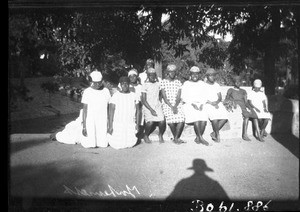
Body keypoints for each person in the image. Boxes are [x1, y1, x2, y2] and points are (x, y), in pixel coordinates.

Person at [52, 70, 111, 148]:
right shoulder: (87, 92)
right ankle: (57, 136)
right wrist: (84, 126)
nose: (98, 84)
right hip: (91, 121)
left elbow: (109, 107)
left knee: (103, 144)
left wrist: (110, 123)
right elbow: (85, 109)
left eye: (99, 82)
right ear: (92, 81)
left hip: (102, 121)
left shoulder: (106, 91)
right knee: (89, 144)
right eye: (95, 82)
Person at [107, 76, 140, 149]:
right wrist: (110, 126)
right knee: (116, 144)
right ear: (120, 85)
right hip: (118, 122)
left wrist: (137, 124)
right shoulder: (115, 96)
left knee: (130, 143)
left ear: (129, 84)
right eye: (123, 84)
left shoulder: (134, 95)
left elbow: (138, 111)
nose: (124, 85)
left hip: (130, 122)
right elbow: (111, 112)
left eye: (126, 83)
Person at [181, 66, 210, 146]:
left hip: (200, 104)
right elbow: (184, 97)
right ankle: (201, 138)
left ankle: (198, 138)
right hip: (189, 104)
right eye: (193, 74)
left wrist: (201, 104)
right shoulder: (186, 84)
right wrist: (192, 104)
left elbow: (205, 96)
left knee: (203, 119)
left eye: (196, 74)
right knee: (196, 118)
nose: (195, 76)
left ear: (199, 75)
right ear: (190, 74)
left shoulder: (202, 84)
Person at [224, 75, 259, 141]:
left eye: (239, 82)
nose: (238, 83)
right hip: (237, 107)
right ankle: (244, 134)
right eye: (236, 82)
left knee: (254, 115)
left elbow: (246, 102)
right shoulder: (230, 90)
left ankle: (259, 134)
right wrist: (231, 103)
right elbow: (226, 99)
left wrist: (249, 108)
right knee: (247, 116)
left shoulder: (243, 91)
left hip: (243, 106)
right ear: (234, 82)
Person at [160, 64, 185, 144]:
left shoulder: (178, 82)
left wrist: (175, 106)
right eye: (170, 72)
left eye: (174, 72)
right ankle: (176, 138)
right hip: (167, 104)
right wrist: (171, 106)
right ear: (167, 72)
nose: (172, 73)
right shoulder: (163, 82)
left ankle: (176, 138)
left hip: (177, 104)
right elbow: (164, 96)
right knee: (170, 120)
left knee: (181, 119)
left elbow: (178, 96)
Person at [141, 67, 166, 143]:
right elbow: (143, 100)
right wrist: (151, 110)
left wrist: (159, 103)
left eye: (153, 75)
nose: (152, 76)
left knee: (162, 121)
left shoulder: (158, 84)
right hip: (148, 106)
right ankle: (146, 135)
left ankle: (160, 135)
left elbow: (160, 95)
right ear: (148, 76)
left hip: (157, 105)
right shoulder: (145, 85)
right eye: (150, 75)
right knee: (150, 122)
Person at [204, 68, 228, 143]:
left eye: (214, 75)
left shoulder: (216, 85)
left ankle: (213, 133)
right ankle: (217, 135)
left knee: (225, 117)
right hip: (208, 104)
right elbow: (203, 97)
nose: (213, 77)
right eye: (211, 75)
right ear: (207, 76)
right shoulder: (203, 85)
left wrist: (216, 102)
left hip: (217, 103)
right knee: (214, 117)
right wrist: (212, 103)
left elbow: (220, 97)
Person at [128, 68, 144, 140]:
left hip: (139, 106)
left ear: (137, 77)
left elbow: (142, 98)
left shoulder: (140, 86)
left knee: (140, 114)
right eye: (130, 76)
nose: (132, 78)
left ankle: (138, 135)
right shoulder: (126, 86)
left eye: (134, 76)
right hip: (129, 106)